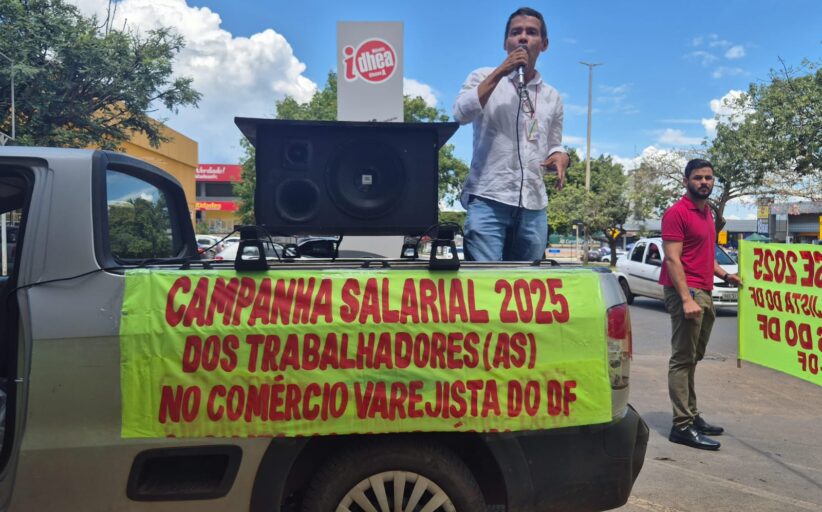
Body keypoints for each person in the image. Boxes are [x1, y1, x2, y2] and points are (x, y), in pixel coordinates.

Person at [453, 7, 569, 261]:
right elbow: (461, 114)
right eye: (516, 32)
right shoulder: (481, 77)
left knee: (528, 282)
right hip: (489, 198)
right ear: (506, 43)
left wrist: (561, 156)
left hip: (534, 205)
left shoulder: (552, 96)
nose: (523, 37)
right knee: (485, 280)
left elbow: (554, 143)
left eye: (531, 32)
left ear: (544, 44)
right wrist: (501, 71)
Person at [660, 158, 741, 450]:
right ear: (686, 181)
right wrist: (685, 298)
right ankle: (681, 425)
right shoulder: (677, 213)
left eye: (708, 177)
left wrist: (725, 275)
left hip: (704, 289)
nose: (704, 182)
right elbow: (673, 259)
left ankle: (692, 415)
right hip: (686, 291)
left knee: (694, 356)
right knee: (682, 358)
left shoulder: (707, 213)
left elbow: (703, 253)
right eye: (698, 177)